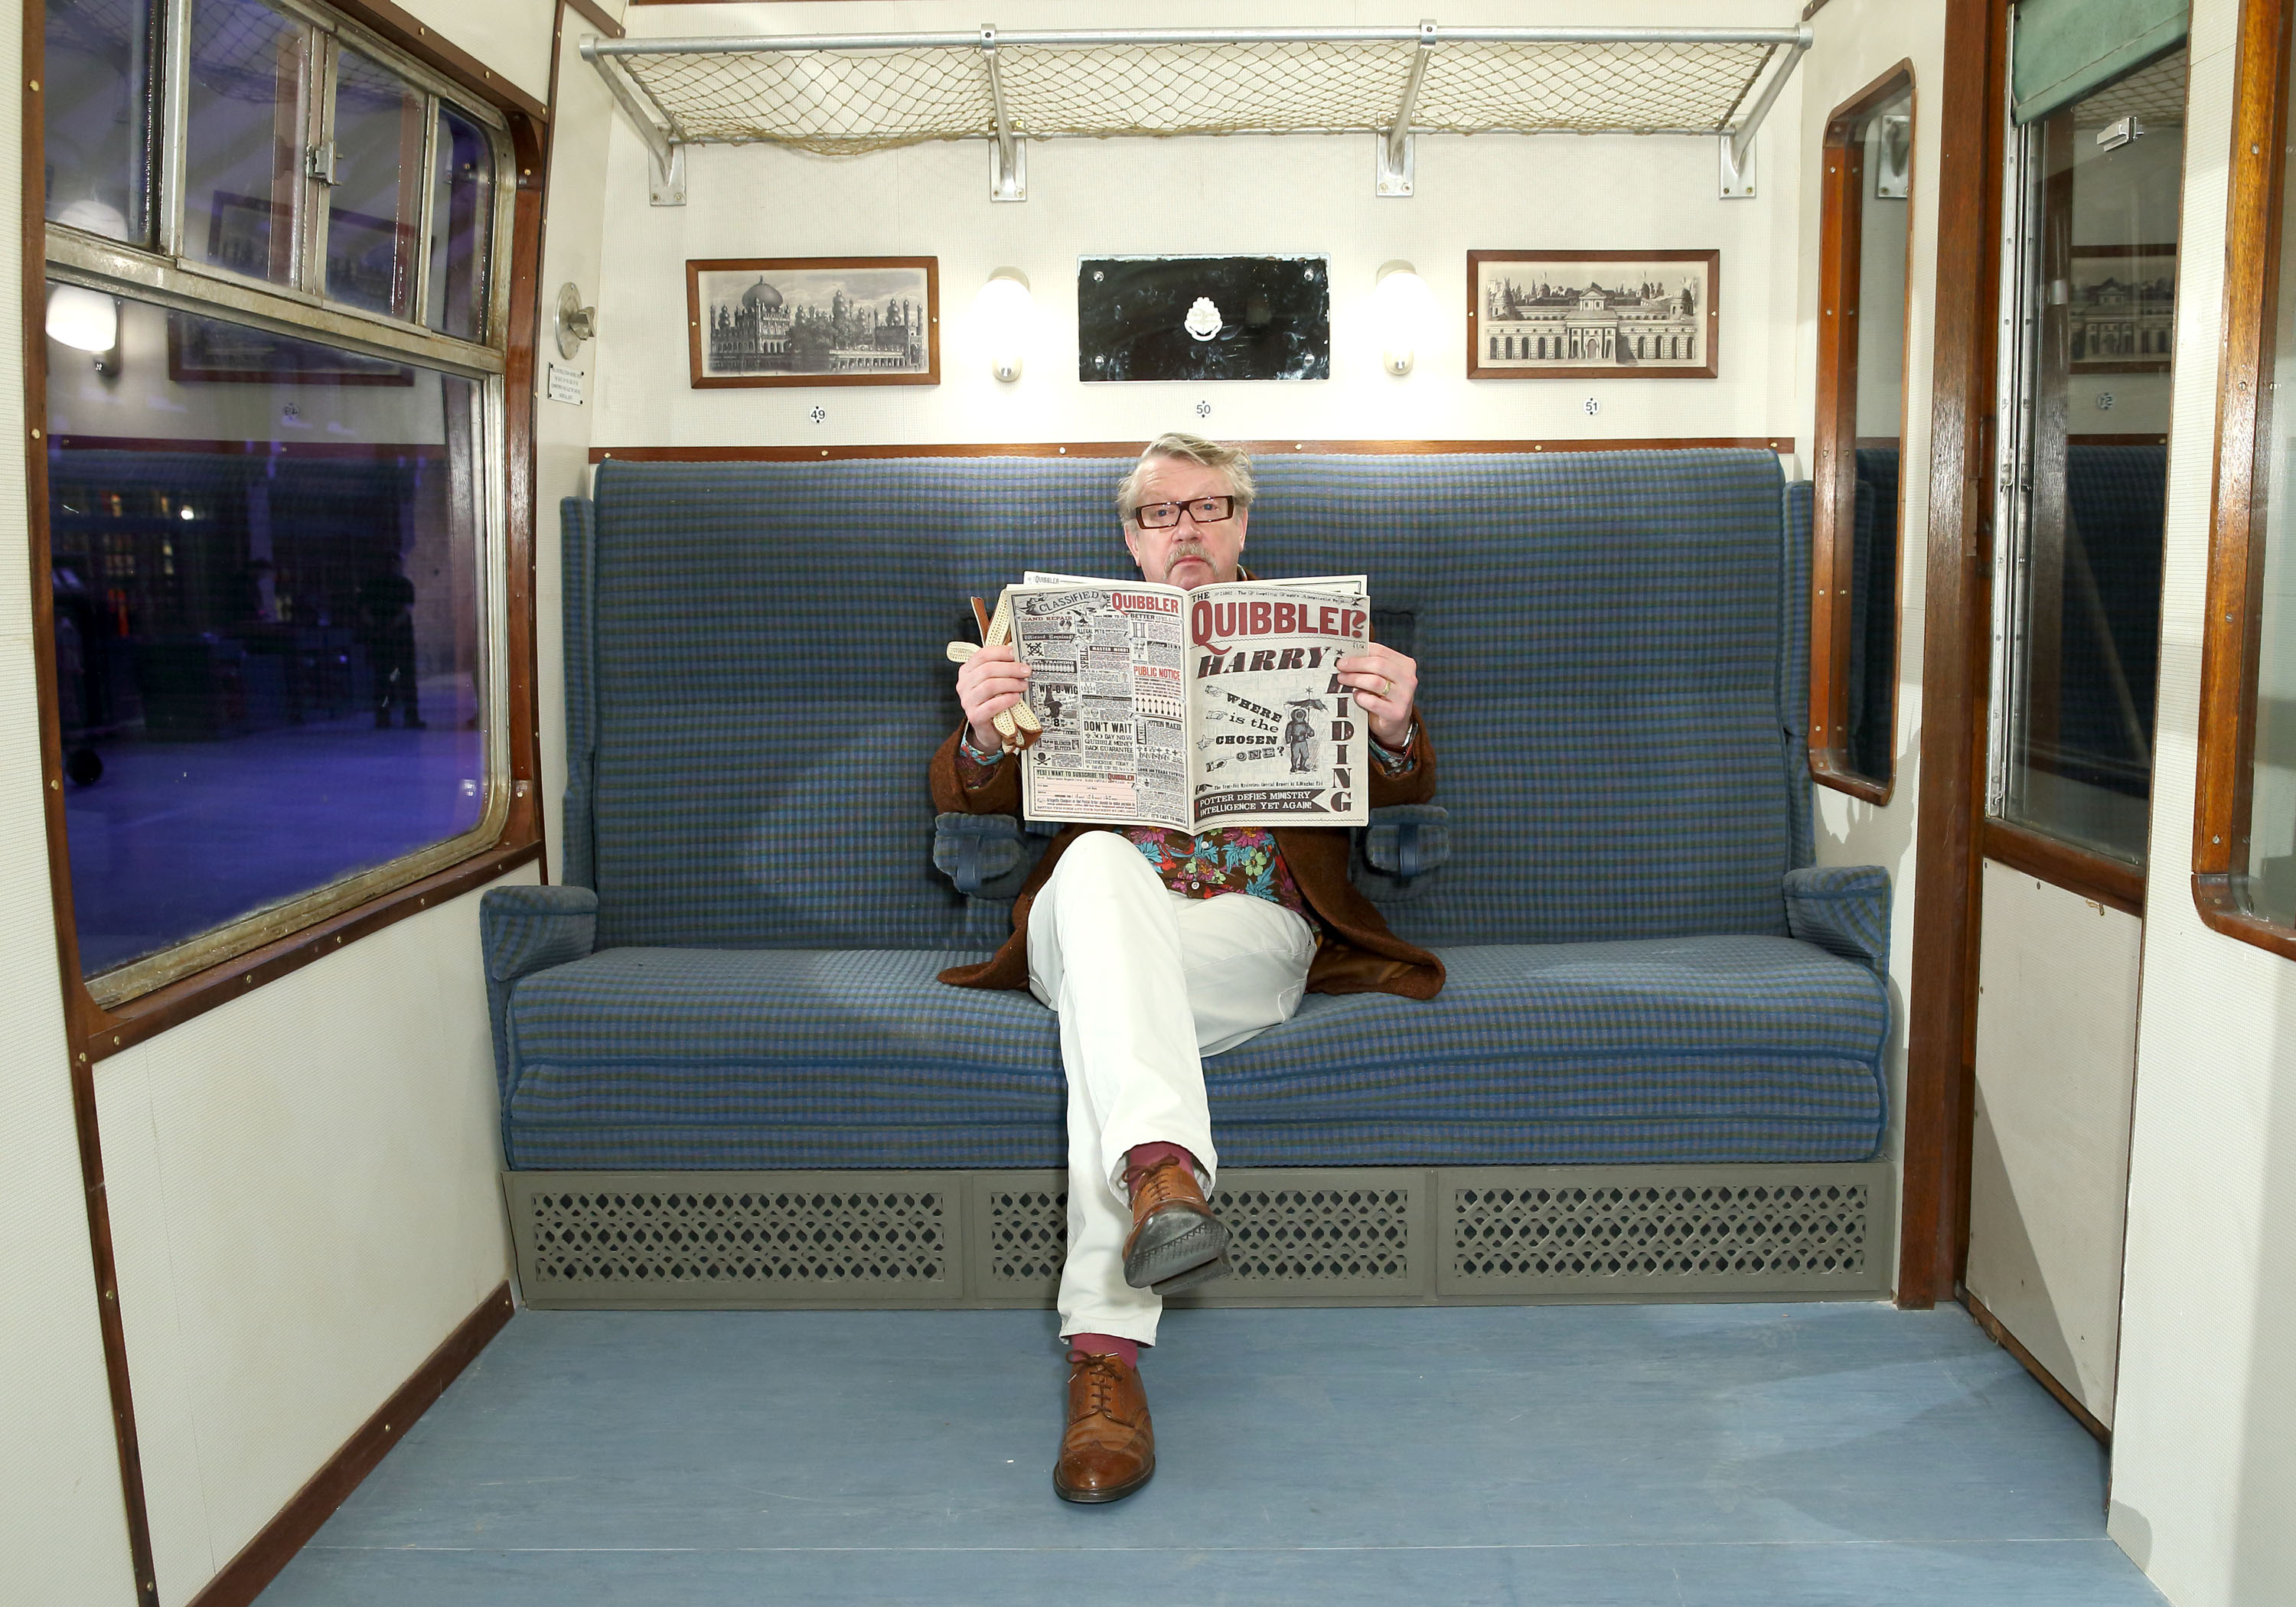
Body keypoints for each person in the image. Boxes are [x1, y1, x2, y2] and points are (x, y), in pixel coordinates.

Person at [928, 433, 1443, 1504]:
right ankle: (1158, 1185)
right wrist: (982, 731)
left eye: (1211, 507)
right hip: (1091, 918)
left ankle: (1114, 1330)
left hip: (1247, 931)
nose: (1189, 528)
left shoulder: (1319, 633)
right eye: (1162, 513)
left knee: (1114, 1035)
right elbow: (966, 795)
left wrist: (1395, 729)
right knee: (1106, 868)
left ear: (1243, 524)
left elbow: (1396, 790)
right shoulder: (1067, 636)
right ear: (1132, 537)